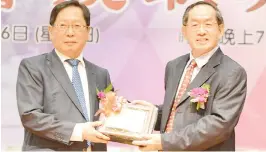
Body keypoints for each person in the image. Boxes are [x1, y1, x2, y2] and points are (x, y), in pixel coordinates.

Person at [132, 1, 247, 151]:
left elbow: (219, 125)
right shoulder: (174, 66)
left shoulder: (232, 72)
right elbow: (176, 113)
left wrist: (165, 142)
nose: (201, 31)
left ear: (220, 29)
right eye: (194, 25)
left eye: (208, 24)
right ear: (184, 31)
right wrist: (151, 113)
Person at [16, 1, 111, 151]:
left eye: (77, 26)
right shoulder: (33, 67)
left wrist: (123, 110)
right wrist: (80, 131)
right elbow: (30, 116)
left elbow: (110, 113)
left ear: (88, 32)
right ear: (51, 30)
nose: (70, 32)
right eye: (63, 25)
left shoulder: (101, 74)